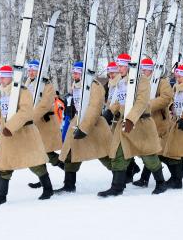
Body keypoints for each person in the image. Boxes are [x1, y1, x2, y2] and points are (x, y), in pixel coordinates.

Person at [99, 53, 168, 197]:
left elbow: (141, 102)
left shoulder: (141, 81)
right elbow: (120, 101)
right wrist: (109, 112)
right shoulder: (121, 81)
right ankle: (117, 187)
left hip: (140, 123)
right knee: (118, 154)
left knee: (148, 156)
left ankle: (161, 182)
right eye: (118, 66)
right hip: (123, 124)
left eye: (122, 65)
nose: (120, 68)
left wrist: (130, 119)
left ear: (129, 66)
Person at [0, 65, 53, 206]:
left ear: (11, 77)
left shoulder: (23, 91)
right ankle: (0, 196)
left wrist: (10, 127)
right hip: (8, 136)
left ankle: (48, 189)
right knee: (4, 165)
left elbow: (26, 112)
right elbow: (5, 113)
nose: (1, 79)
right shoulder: (3, 92)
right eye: (0, 76)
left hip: (24, 134)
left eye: (3, 76)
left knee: (35, 164)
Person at [54, 61, 112, 194]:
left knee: (104, 154)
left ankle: (121, 178)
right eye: (73, 72)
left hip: (93, 126)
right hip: (77, 122)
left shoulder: (94, 86)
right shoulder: (76, 85)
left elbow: (94, 108)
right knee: (70, 152)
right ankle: (69, 184)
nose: (74, 74)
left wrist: (85, 128)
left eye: (76, 72)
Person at [132, 58, 174, 188]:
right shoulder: (139, 83)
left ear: (152, 69)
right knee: (150, 150)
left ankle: (176, 177)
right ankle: (145, 178)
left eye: (145, 68)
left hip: (159, 121)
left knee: (162, 153)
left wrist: (148, 105)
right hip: (145, 121)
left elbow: (166, 98)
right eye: (142, 69)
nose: (143, 71)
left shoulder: (162, 82)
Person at [24, 60, 64, 189]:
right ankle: (43, 179)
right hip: (32, 123)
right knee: (37, 152)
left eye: (33, 70)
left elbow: (45, 104)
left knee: (48, 153)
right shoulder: (27, 83)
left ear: (39, 71)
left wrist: (30, 117)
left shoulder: (46, 84)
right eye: (29, 70)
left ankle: (69, 172)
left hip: (44, 123)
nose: (30, 72)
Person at [103, 60, 141, 183]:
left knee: (126, 147)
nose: (111, 75)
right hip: (116, 118)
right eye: (109, 73)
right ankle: (129, 170)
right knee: (120, 147)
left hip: (128, 118)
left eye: (113, 72)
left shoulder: (125, 81)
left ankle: (128, 173)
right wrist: (109, 112)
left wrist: (118, 110)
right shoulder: (109, 84)